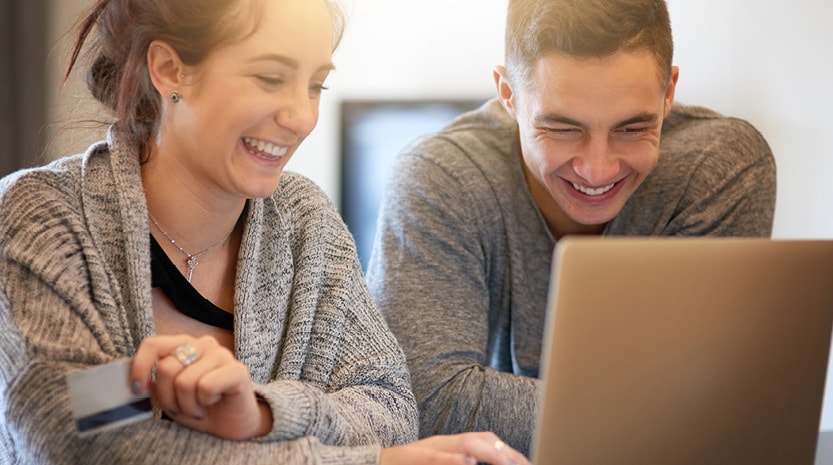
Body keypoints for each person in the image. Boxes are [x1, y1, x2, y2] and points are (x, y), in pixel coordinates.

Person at [0, 1, 529, 464]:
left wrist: (258, 412)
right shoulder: (41, 214)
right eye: (270, 78)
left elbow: (389, 409)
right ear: (169, 70)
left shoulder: (304, 221)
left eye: (316, 85)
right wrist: (150, 389)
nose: (301, 116)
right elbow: (63, 432)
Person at [366, 0, 777, 456]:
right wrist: (665, 414)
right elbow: (420, 403)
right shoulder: (439, 177)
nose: (597, 169)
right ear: (508, 93)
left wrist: (687, 413)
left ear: (668, 92)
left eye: (632, 128)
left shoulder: (717, 168)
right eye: (562, 129)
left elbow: (715, 407)